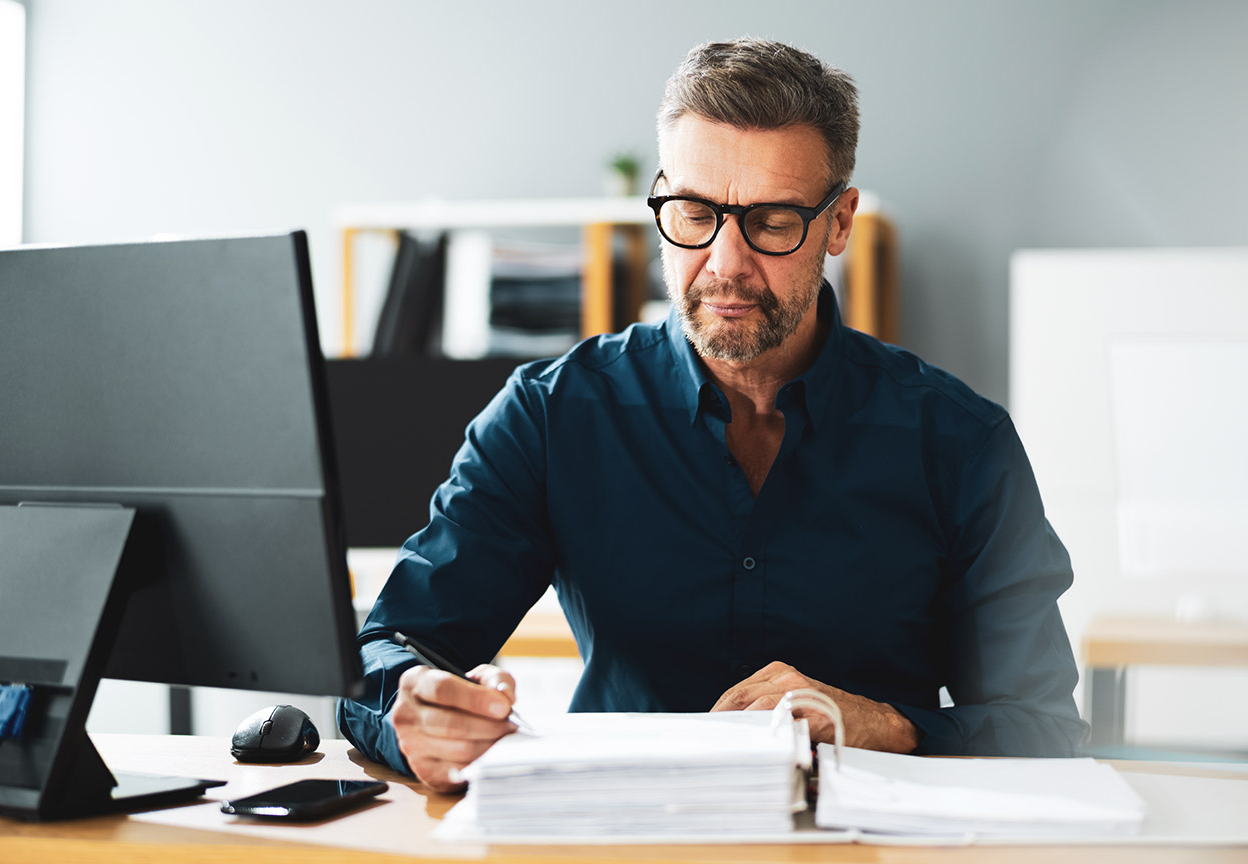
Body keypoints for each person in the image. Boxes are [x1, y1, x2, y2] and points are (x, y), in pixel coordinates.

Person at [338, 37, 1087, 792]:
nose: (725, 263)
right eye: (694, 212)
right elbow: (389, 651)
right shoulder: (551, 415)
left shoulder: (961, 443)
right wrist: (416, 712)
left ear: (839, 222)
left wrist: (881, 724)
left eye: (770, 222)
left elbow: (1046, 728)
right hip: (613, 837)